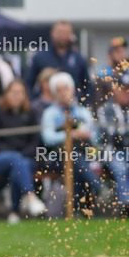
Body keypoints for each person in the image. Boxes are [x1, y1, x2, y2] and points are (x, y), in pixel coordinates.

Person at [40, 72, 102, 212]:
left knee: (78, 162)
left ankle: (77, 208)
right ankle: (97, 186)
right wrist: (70, 136)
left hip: (86, 153)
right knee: (75, 158)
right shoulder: (49, 113)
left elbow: (97, 137)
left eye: (65, 89)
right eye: (59, 90)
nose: (63, 93)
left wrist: (87, 135)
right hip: (57, 156)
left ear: (73, 90)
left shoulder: (84, 112)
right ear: (54, 93)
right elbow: (48, 138)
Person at [0, 80, 48, 224]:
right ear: (6, 94)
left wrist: (22, 154)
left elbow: (35, 140)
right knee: (18, 161)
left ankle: (14, 212)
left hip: (24, 158)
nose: (17, 96)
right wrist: (15, 153)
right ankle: (31, 197)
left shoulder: (31, 114)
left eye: (21, 92)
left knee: (17, 168)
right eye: (14, 92)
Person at [24, 21, 93, 104]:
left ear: (71, 34)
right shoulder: (40, 56)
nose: (62, 36)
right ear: (52, 33)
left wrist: (82, 102)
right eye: (60, 32)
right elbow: (28, 83)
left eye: (66, 32)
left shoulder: (79, 58)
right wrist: (35, 100)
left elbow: (88, 85)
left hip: (72, 105)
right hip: (46, 105)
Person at [94, 68, 129, 215]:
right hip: (110, 152)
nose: (127, 92)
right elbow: (111, 136)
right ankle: (125, 205)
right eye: (123, 89)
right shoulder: (105, 109)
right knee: (120, 167)